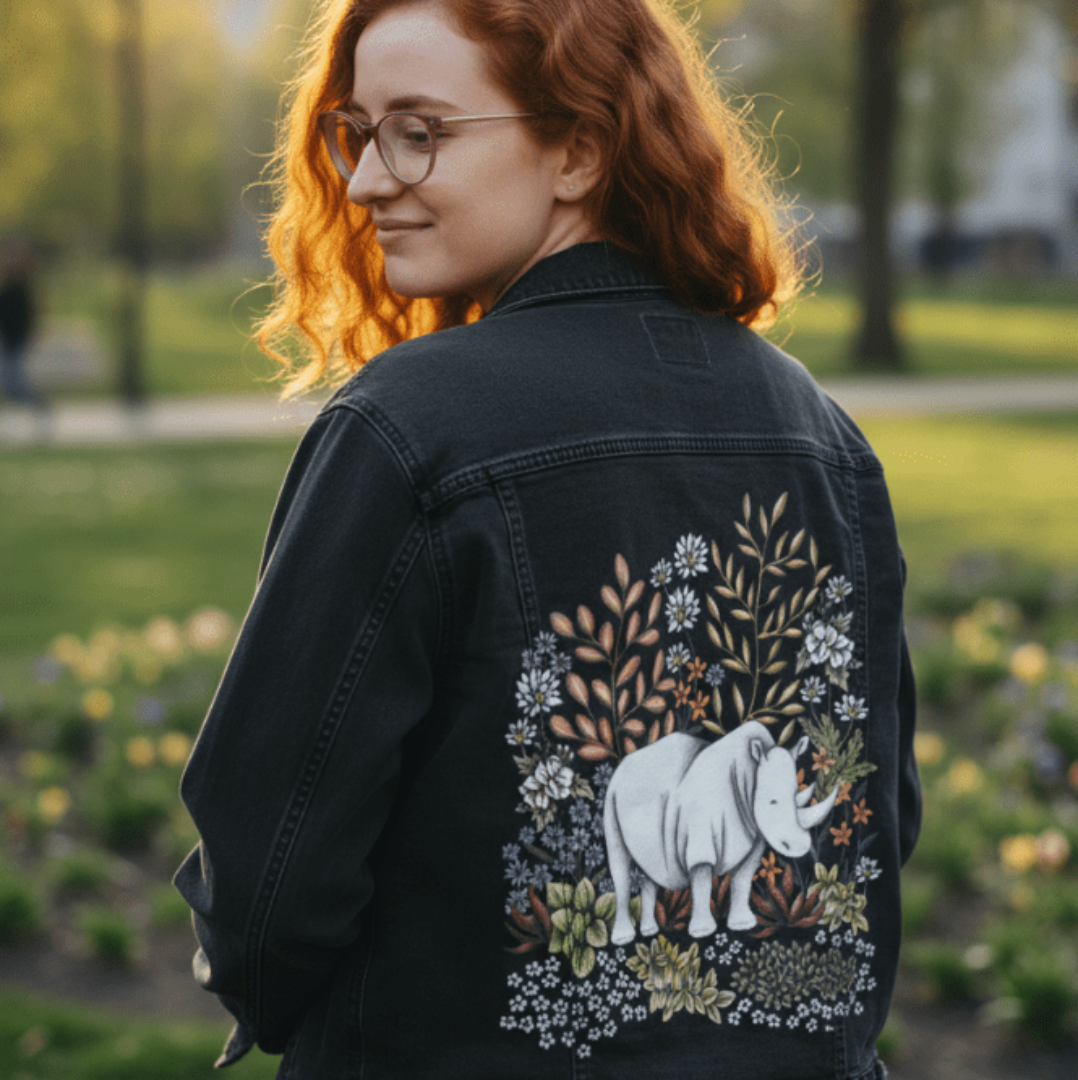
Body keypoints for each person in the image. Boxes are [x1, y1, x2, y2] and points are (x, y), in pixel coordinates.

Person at [175, 1, 921, 1077]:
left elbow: (268, 872)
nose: (365, 180)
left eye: (420, 129)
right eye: (357, 132)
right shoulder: (821, 432)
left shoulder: (409, 428)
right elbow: (874, 818)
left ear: (577, 150)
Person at [0, 237, 48, 410]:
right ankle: (35, 404)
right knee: (11, 380)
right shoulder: (8, 284)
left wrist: (29, 334)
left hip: (16, 337)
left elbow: (28, 313)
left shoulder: (20, 286)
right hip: (8, 336)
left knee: (16, 380)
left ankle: (39, 404)